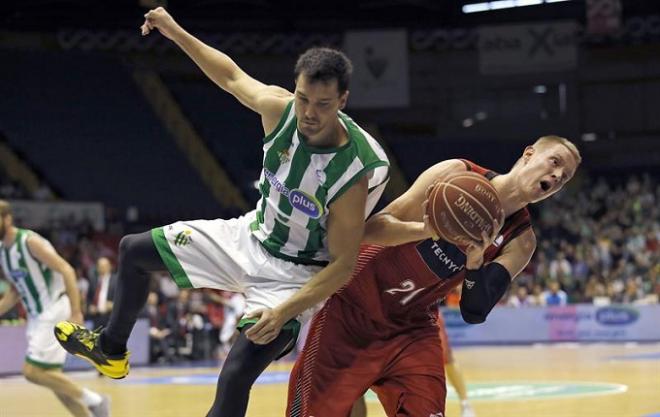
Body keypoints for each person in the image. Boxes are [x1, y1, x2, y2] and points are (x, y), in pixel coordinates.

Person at [54, 6, 389, 417]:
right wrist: (174, 30)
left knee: (234, 375)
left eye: (322, 104)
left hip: (293, 279)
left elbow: (342, 264)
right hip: (249, 236)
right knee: (133, 251)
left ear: (343, 100)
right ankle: (110, 349)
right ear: (295, 89)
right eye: (303, 99)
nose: (309, 113)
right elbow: (230, 76)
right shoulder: (279, 111)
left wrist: (284, 311)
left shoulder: (350, 173)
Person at [287, 135, 580, 417]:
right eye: (554, 162)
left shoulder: (520, 241)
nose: (556, 176)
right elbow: (370, 230)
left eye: (564, 177)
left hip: (411, 329)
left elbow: (474, 311)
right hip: (351, 310)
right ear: (529, 154)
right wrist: (426, 230)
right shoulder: (455, 174)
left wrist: (475, 261)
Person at [0, 200, 109, 417]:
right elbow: (16, 289)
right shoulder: (3, 252)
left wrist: (76, 312)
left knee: (31, 372)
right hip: (37, 317)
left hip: (54, 310)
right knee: (54, 382)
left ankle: (96, 400)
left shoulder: (29, 242)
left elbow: (66, 270)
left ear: (7, 219)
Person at [349, 312, 477, 417]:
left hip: (420, 313)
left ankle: (465, 402)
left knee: (446, 358)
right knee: (353, 373)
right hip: (379, 316)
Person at [87, 257, 116, 329]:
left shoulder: (117, 280)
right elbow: (89, 298)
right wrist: (90, 306)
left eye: (105, 266)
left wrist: (114, 305)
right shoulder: (93, 280)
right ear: (97, 268)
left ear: (110, 267)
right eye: (100, 266)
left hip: (111, 317)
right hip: (96, 317)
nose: (103, 268)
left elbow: (123, 298)